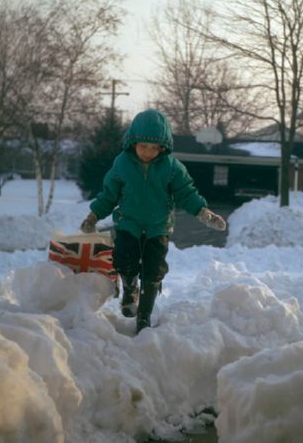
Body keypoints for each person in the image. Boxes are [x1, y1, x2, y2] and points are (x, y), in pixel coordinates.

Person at [80, 109, 226, 333]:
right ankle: (130, 290)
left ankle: (144, 318)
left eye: (154, 147)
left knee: (153, 271)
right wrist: (94, 215)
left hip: (159, 227)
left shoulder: (171, 167)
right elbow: (109, 194)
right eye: (143, 146)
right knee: (124, 260)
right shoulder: (122, 164)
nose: (148, 152)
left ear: (163, 147)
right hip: (129, 223)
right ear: (133, 143)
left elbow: (186, 193)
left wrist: (204, 213)